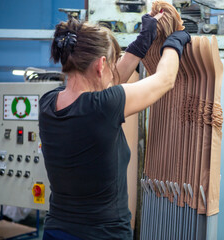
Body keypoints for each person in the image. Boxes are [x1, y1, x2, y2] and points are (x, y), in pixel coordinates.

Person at [39, 10, 190, 240]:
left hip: (56, 231)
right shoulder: (102, 107)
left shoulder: (48, 104)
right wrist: (175, 41)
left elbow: (109, 81)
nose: (113, 73)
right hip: (103, 235)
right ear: (101, 65)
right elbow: (165, 80)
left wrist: (141, 44)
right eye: (111, 63)